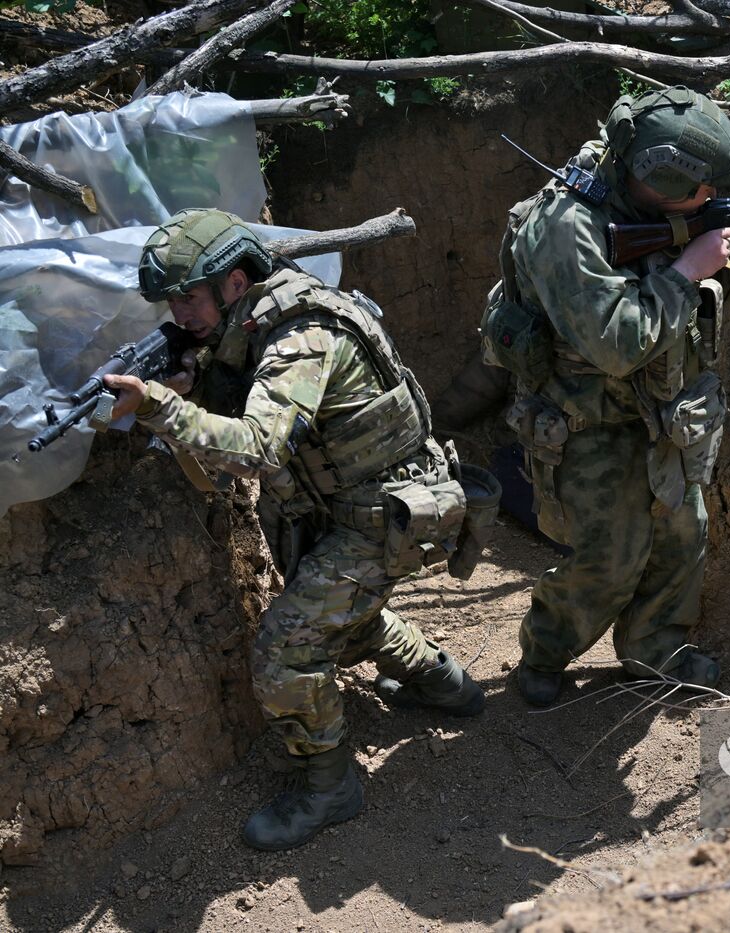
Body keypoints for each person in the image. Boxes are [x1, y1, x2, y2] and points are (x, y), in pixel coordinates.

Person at [103, 209, 485, 850]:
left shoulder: (301, 336)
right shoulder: (256, 320)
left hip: (385, 517)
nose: (180, 313)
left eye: (189, 297)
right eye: (171, 301)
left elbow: (258, 448)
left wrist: (162, 406)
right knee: (337, 613)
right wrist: (192, 384)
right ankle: (446, 686)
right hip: (344, 509)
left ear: (235, 281)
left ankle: (331, 790)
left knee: (285, 652)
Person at [490, 86, 730, 707]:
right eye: (701, 191)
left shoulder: (650, 198)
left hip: (664, 411)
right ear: (662, 182)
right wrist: (687, 269)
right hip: (588, 420)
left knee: (681, 538)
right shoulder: (567, 228)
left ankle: (655, 651)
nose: (712, 199)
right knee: (608, 559)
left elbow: (706, 272)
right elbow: (617, 344)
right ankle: (545, 651)